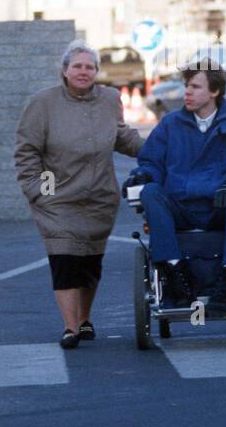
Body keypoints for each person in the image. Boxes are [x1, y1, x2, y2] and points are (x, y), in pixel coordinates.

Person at [15, 39, 143, 349]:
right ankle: (70, 327)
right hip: (56, 200)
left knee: (90, 262)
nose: (83, 71)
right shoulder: (42, 103)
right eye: (77, 66)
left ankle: (85, 319)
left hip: (99, 197)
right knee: (65, 261)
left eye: (89, 67)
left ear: (98, 71)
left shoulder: (110, 98)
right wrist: (39, 191)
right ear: (64, 70)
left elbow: (121, 136)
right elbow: (27, 151)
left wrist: (162, 149)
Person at [122, 64, 226, 313]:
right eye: (186, 86)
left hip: (220, 206)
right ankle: (174, 272)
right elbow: (151, 163)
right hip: (181, 208)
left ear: (215, 91)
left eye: (195, 87)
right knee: (150, 192)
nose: (187, 92)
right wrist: (140, 176)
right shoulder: (170, 124)